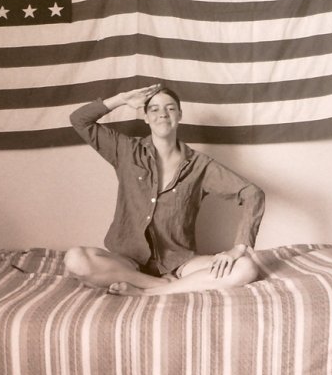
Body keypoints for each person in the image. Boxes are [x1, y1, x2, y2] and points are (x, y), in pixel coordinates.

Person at [65, 84, 265, 296]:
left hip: (179, 264)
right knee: (74, 259)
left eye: (170, 108)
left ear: (179, 115)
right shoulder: (126, 151)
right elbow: (79, 120)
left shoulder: (201, 166)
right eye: (154, 109)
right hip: (127, 262)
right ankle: (156, 284)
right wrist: (122, 98)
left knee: (246, 267)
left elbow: (253, 193)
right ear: (145, 117)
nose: (162, 114)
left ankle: (147, 292)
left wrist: (238, 248)